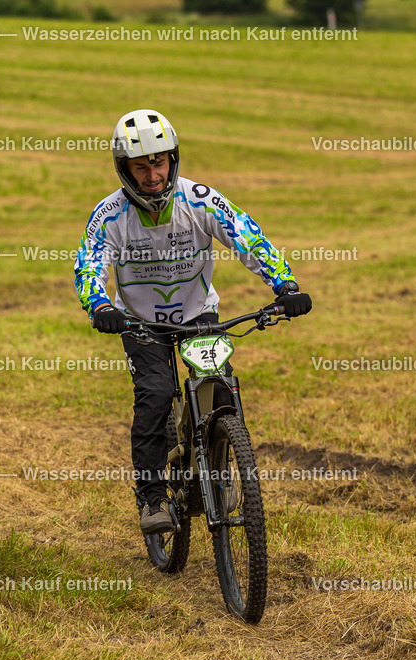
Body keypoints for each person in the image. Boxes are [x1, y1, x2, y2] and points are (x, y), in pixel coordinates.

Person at [74, 109, 311, 535]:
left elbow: (247, 236)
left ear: (173, 159)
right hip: (140, 324)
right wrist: (100, 306)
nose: (153, 175)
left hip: (198, 313)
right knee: (155, 395)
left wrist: (285, 286)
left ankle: (220, 469)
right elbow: (90, 264)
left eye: (160, 163)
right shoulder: (109, 214)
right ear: (124, 168)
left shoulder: (200, 199)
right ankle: (152, 497)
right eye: (141, 167)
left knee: (218, 389)